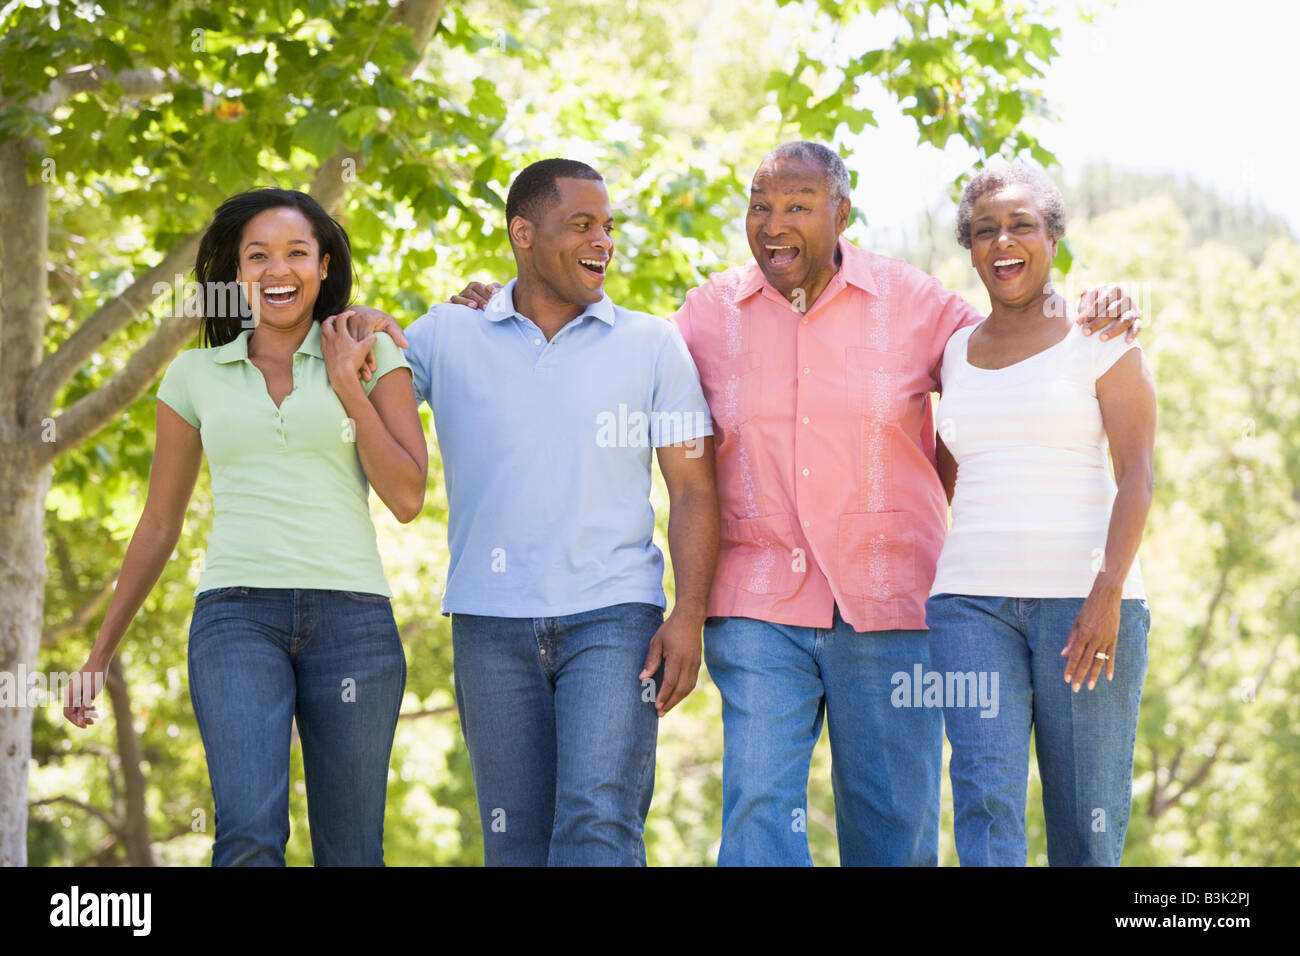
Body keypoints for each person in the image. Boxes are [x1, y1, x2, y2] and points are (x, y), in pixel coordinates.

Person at [424, 142, 1143, 867]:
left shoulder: (920, 305)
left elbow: (1011, 353)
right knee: (761, 822)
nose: (773, 223)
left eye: (797, 206)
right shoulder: (707, 314)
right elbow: (601, 339)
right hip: (758, 607)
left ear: (842, 213)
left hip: (892, 606)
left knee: (893, 824)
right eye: (759, 206)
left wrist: (1089, 299)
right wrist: (500, 301)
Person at [347, 159, 719, 866]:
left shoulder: (652, 344)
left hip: (615, 617)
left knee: (599, 818)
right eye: (581, 225)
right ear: (523, 233)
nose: (602, 241)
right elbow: (372, 387)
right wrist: (366, 325)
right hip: (490, 622)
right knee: (512, 840)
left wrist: (688, 616)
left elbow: (695, 489)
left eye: (607, 227)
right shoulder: (445, 334)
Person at [63, 188, 428, 867]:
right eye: (256, 255)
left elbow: (407, 496)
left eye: (296, 253)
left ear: (323, 266)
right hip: (237, 617)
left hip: (354, 623)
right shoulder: (194, 374)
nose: (276, 269)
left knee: (352, 851)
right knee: (247, 837)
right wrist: (99, 653)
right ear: (235, 276)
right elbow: (159, 523)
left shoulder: (375, 352)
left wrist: (350, 383)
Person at [926, 162, 1155, 866]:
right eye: (986, 230)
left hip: (1084, 603)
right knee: (986, 806)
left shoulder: (1100, 333)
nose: (1003, 242)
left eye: (1022, 225)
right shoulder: (955, 353)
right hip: (969, 606)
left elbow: (1138, 472)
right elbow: (949, 470)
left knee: (1086, 826)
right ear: (969, 246)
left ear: (1053, 237)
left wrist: (1108, 591)